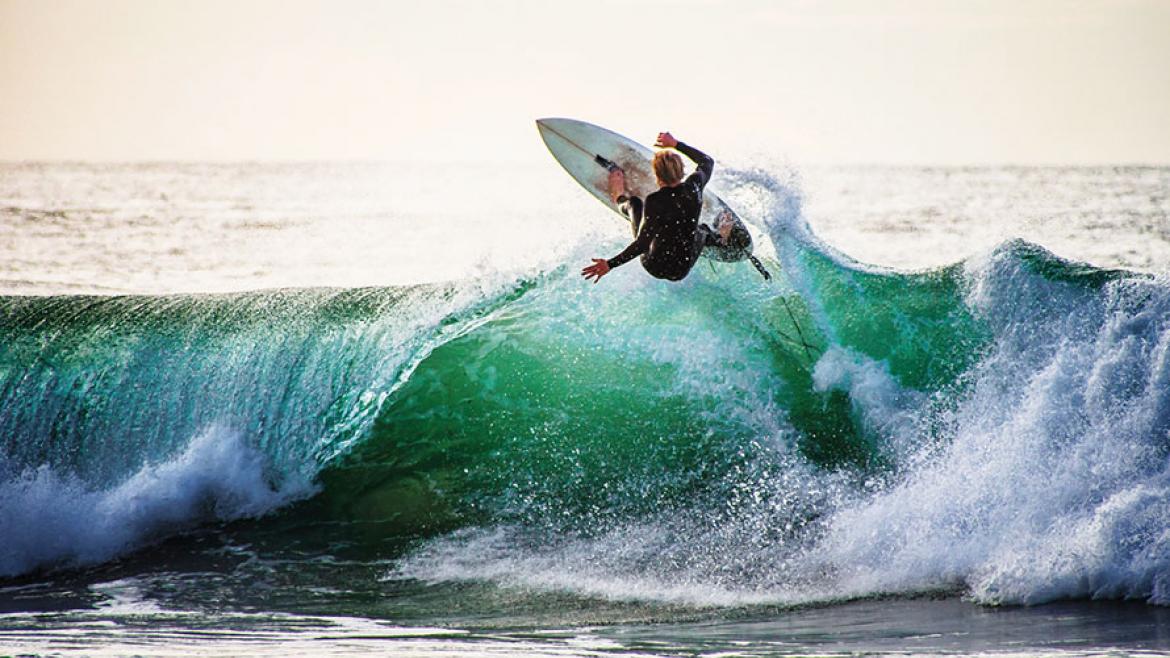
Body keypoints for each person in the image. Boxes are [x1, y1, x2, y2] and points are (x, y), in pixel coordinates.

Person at [581, 132, 731, 284]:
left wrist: (610, 264)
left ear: (657, 176)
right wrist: (676, 144)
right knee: (702, 230)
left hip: (654, 266)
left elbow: (643, 243)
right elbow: (707, 161)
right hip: (682, 269)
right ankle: (720, 238)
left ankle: (618, 197)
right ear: (682, 171)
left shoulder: (654, 202)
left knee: (633, 203)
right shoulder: (694, 186)